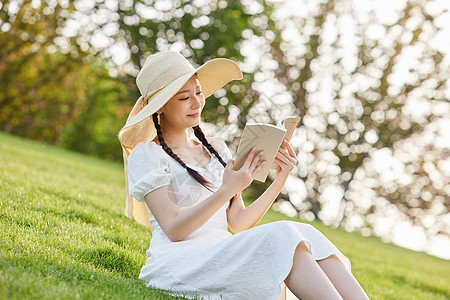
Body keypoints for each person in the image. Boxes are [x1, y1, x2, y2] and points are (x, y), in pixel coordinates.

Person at [117, 51, 370, 300]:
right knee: (282, 234)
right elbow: (173, 229)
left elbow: (238, 222)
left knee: (304, 232)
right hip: (180, 262)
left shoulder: (215, 149)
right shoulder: (148, 155)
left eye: (198, 92)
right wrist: (226, 190)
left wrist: (280, 179)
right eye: (184, 97)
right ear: (160, 106)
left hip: (222, 253)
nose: (197, 103)